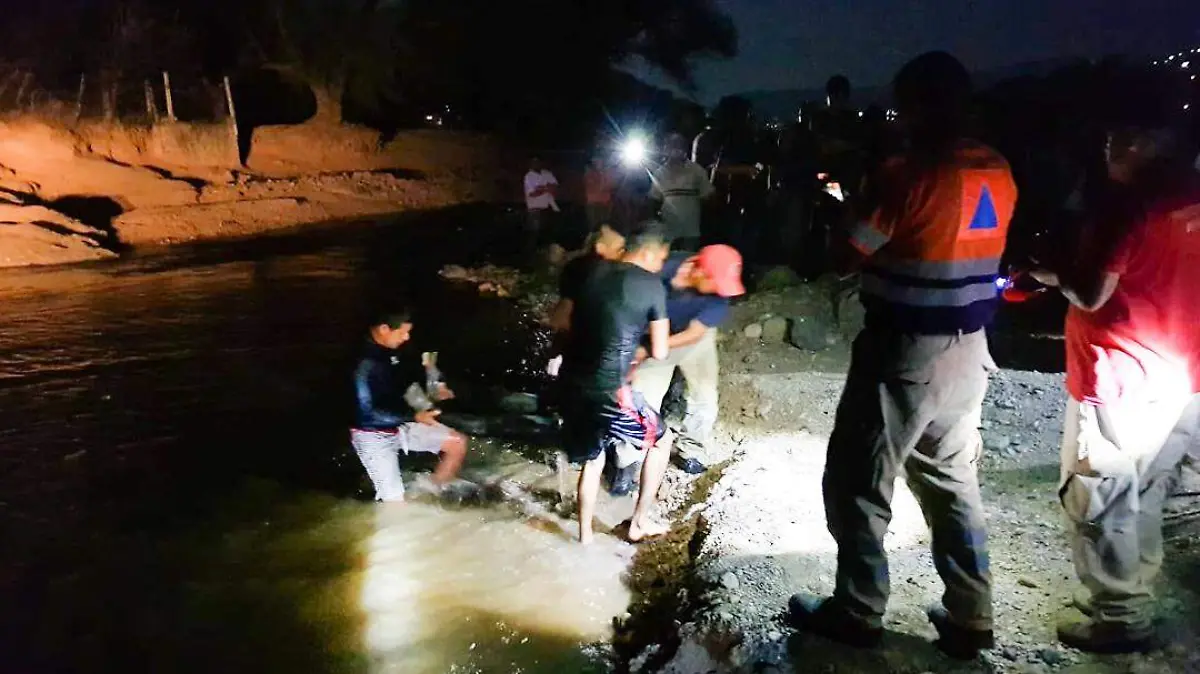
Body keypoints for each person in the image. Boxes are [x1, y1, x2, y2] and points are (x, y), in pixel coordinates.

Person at [788, 52, 1017, 661]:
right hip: (970, 350)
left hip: (905, 349)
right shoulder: (996, 169)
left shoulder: (906, 174)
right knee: (950, 478)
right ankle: (972, 614)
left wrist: (845, 199)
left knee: (859, 480)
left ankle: (858, 610)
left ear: (915, 106)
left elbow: (848, 253)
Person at [1029, 123, 1200, 654]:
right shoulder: (1191, 199)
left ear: (1158, 143)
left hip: (1120, 375)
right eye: (1110, 137)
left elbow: (1089, 292)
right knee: (1147, 494)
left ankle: (1119, 618)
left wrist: (1046, 274)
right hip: (1182, 374)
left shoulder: (1125, 208)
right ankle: (1129, 593)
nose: (1111, 147)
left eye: (1128, 138)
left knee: (1099, 500)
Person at [557, 221, 675, 544]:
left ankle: (584, 538)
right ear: (649, 252)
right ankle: (638, 522)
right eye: (662, 258)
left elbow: (561, 321)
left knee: (593, 459)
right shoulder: (651, 285)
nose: (661, 266)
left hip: (572, 381)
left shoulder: (591, 273)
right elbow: (662, 351)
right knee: (662, 441)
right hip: (611, 390)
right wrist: (639, 351)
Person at [626, 244, 745, 481]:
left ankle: (691, 449)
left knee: (705, 398)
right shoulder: (659, 269)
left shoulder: (720, 296)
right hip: (649, 338)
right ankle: (627, 462)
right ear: (698, 270)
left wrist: (651, 349)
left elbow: (694, 334)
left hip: (692, 340)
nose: (723, 291)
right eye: (718, 283)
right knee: (641, 402)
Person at [351, 310, 470, 502]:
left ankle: (433, 494)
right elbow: (367, 414)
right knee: (395, 501)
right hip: (371, 434)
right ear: (384, 329)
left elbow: (423, 356)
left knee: (457, 442)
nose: (406, 337)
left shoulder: (393, 347)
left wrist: (437, 382)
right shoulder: (364, 365)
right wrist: (414, 417)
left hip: (401, 422)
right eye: (402, 333)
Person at [650, 133, 714, 251]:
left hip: (691, 231)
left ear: (685, 148)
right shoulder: (659, 173)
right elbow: (654, 201)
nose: (675, 149)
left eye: (679, 146)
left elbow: (707, 197)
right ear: (665, 149)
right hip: (668, 232)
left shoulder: (697, 171)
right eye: (671, 146)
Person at [523, 156, 560, 261]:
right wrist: (546, 188)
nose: (536, 164)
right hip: (535, 209)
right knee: (533, 234)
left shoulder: (547, 173)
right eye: (534, 162)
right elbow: (533, 193)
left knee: (546, 233)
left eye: (538, 161)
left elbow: (555, 187)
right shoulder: (529, 176)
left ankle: (545, 256)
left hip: (548, 207)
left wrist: (541, 188)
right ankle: (530, 258)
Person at [584, 154, 617, 232]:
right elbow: (595, 187)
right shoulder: (589, 174)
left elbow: (612, 185)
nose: (598, 163)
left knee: (605, 225)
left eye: (599, 161)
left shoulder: (607, 173)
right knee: (594, 226)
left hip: (605, 203)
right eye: (595, 162)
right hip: (593, 203)